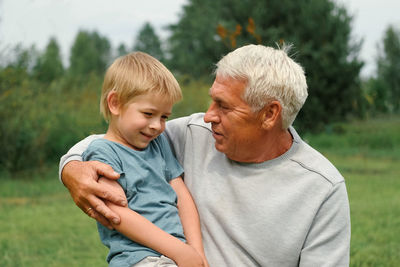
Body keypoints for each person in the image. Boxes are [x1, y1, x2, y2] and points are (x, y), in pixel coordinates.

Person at [60, 44, 351, 266]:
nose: (208, 115)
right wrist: (71, 168)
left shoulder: (323, 188)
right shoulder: (190, 134)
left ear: (269, 114)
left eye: (223, 106)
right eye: (212, 100)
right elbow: (110, 141)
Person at [74, 51, 208, 267]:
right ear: (115, 103)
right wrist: (180, 251)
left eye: (164, 117)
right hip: (139, 258)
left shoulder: (158, 143)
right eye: (148, 114)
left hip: (175, 256)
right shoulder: (102, 152)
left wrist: (196, 252)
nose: (157, 125)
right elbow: (116, 214)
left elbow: (181, 196)